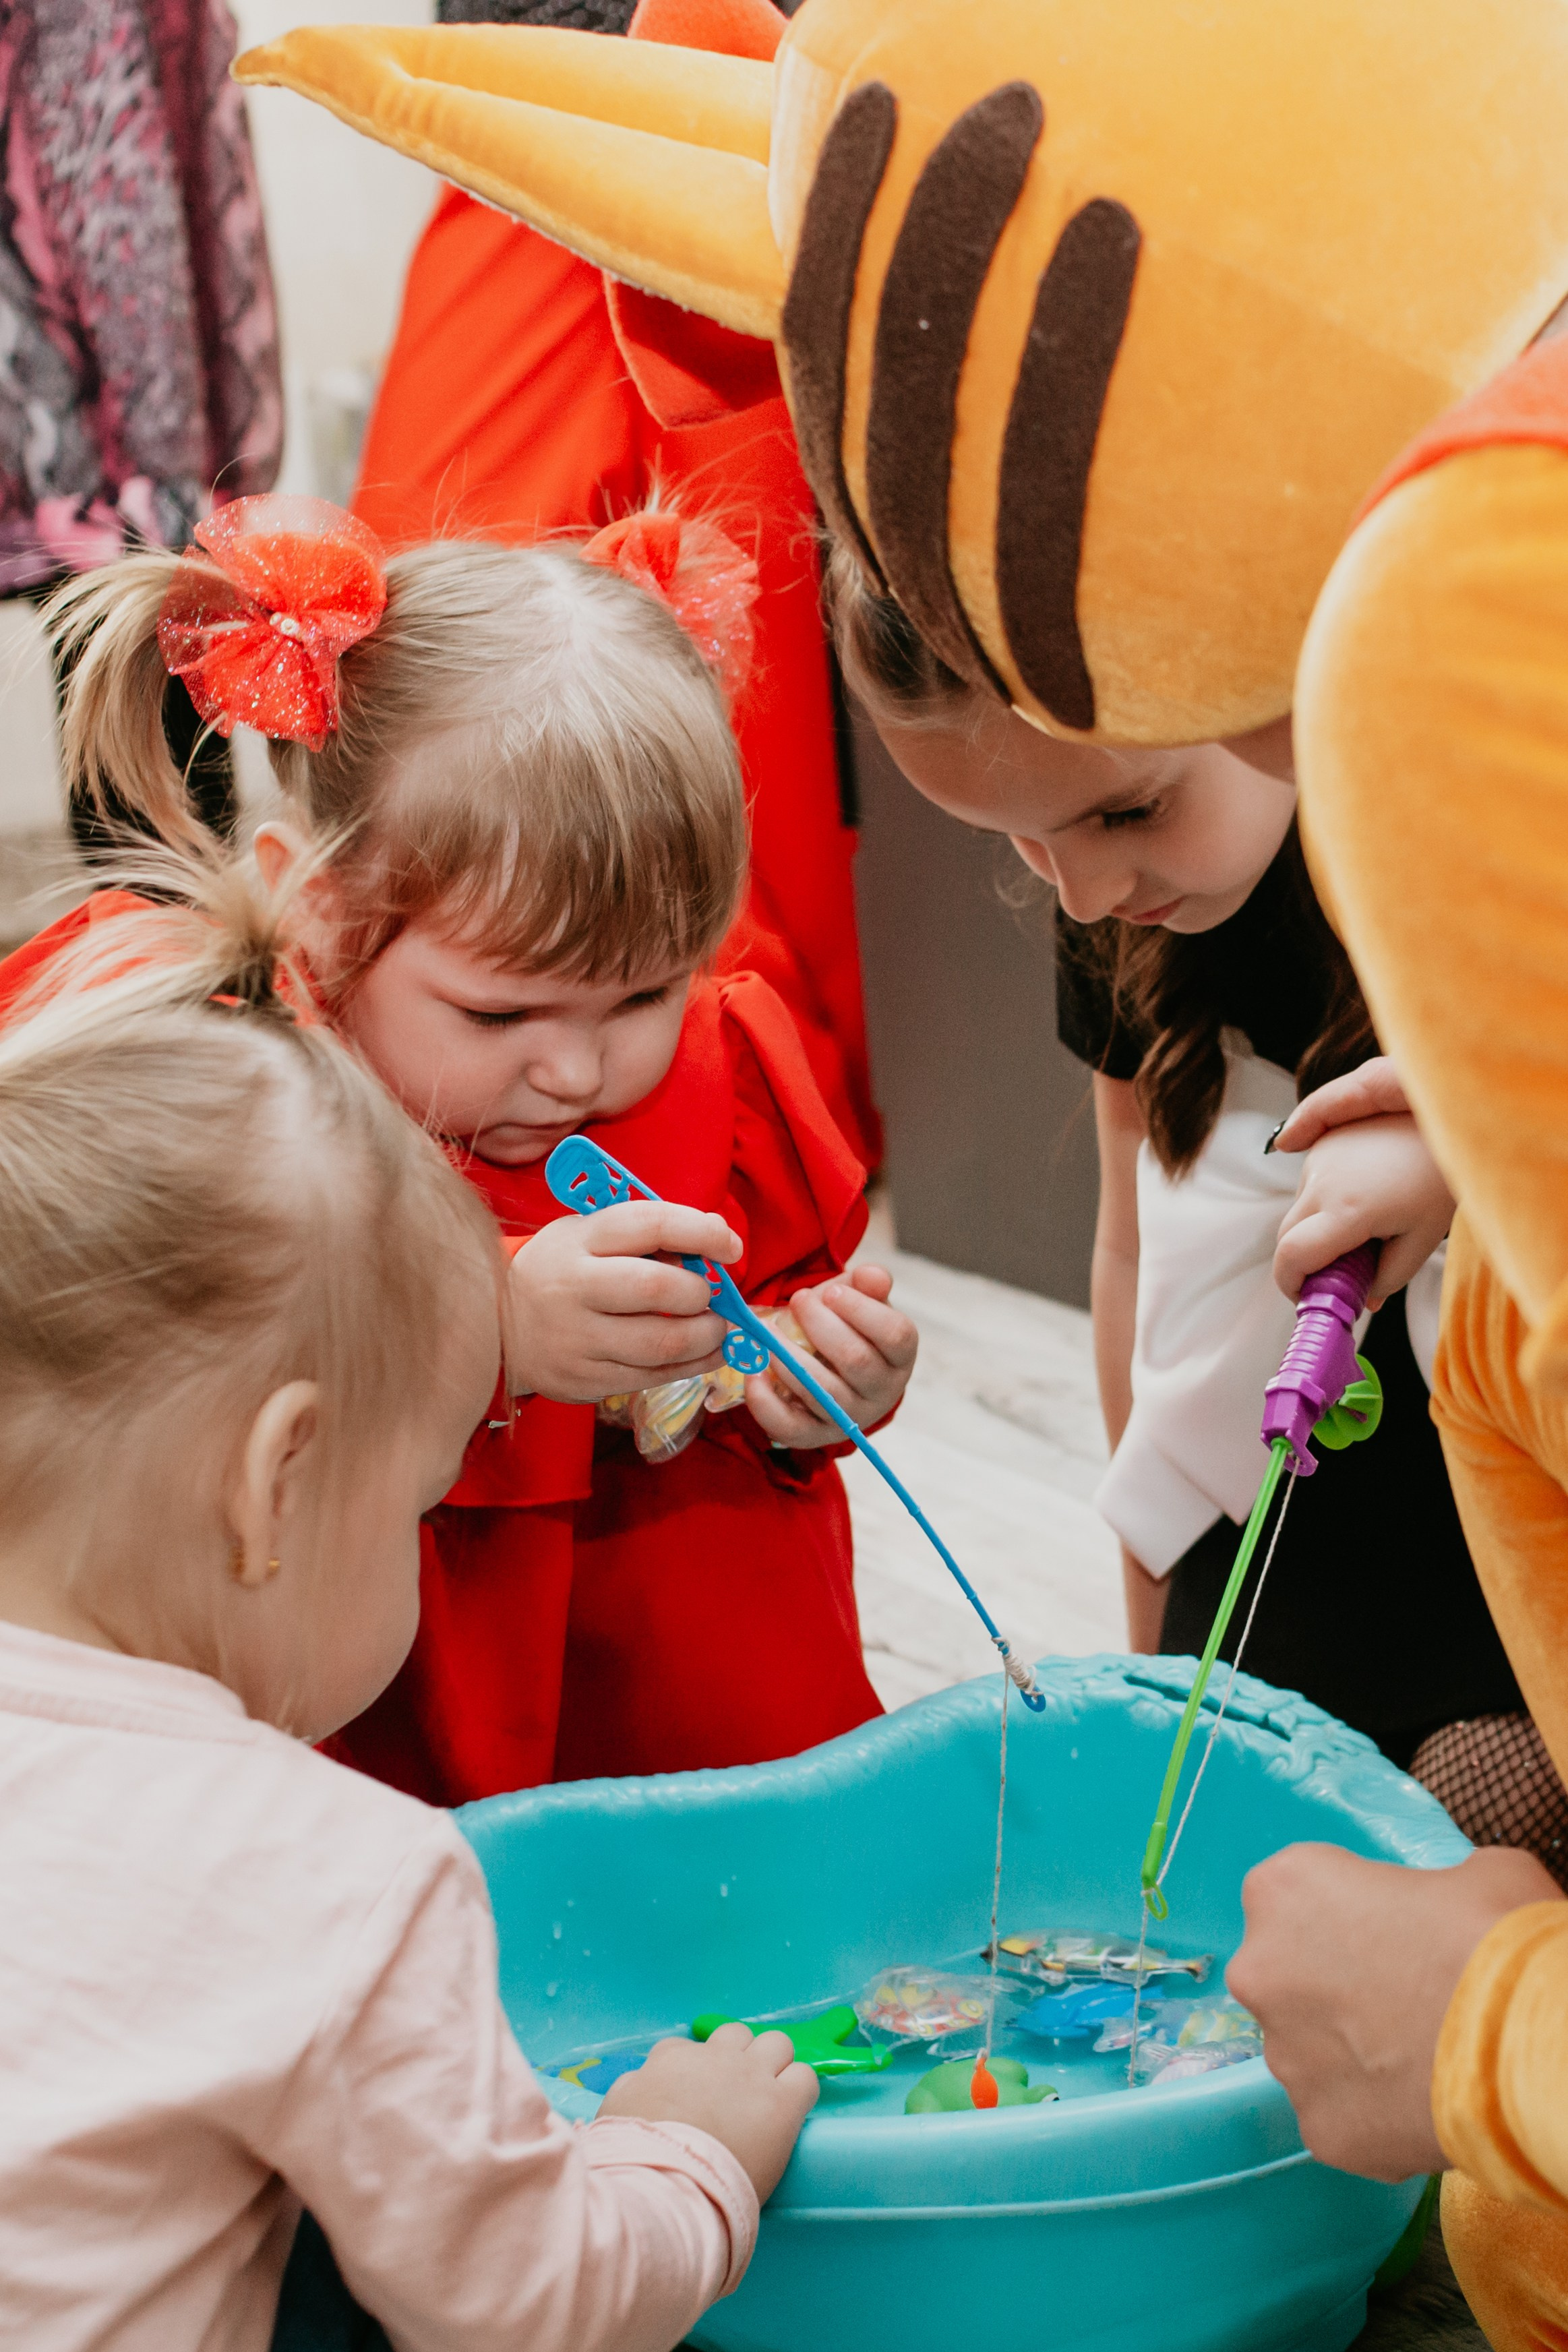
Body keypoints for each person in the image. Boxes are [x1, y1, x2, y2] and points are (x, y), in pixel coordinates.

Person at [0, 880, 816, 2349]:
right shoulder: (336, 1875)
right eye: (414, 1503)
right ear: (276, 1484)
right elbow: (529, 2300)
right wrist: (683, 2155)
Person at [17, 491, 913, 1803]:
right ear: (316, 909)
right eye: (499, 1011)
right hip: (388, 1723)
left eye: (645, 992)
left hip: (681, 1704)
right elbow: (169, 1412)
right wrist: (485, 1324)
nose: (576, 1068)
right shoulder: (250, 1099)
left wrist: (810, 1377)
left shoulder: (730, 1082)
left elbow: (765, 1324)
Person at [828, 564, 1568, 1874]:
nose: (1077, 894)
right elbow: (1134, 1255)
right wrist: (1150, 1629)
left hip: (1501, 1559)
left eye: (1122, 809)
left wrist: (1464, 1151)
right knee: (1224, 1863)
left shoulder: (1477, 839)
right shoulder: (1126, 894)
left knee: (1459, 1857)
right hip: (1273, 1538)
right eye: (1019, 838)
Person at [349, 0, 882, 1174]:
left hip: (749, 112)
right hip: (526, 97)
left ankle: (751, 1146)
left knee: (752, 692)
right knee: (426, 674)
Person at [0, 0, 283, 845]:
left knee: (140, 718)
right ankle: (176, 952)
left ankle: (179, 949)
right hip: (100, 452)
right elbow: (116, 200)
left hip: (102, 450)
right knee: (139, 732)